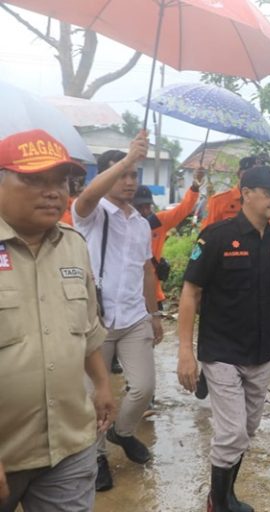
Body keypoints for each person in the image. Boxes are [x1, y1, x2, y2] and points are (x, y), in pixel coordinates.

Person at [0, 129, 115, 511]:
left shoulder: (73, 245)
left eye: (62, 181)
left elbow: (85, 328)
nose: (53, 191)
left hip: (69, 445)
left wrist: (101, 383)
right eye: (34, 179)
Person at [177, 165, 270, 512]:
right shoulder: (216, 236)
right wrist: (186, 352)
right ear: (246, 193)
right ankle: (219, 505)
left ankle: (224, 495)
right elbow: (190, 292)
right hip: (222, 351)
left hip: (260, 351)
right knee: (231, 434)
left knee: (248, 428)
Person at [72, 131, 164, 492]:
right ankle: (96, 456)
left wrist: (154, 315)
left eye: (133, 175)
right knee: (96, 394)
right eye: (122, 174)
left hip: (134, 318)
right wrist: (127, 159)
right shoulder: (92, 215)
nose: (129, 181)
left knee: (143, 387)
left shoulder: (141, 223)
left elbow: (146, 270)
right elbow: (87, 195)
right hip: (96, 321)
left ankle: (122, 433)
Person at [133, 167, 204, 307]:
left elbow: (183, 209)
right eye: (140, 207)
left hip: (152, 293)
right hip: (128, 293)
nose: (145, 211)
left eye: (148, 206)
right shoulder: (121, 225)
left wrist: (195, 187)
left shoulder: (158, 221)